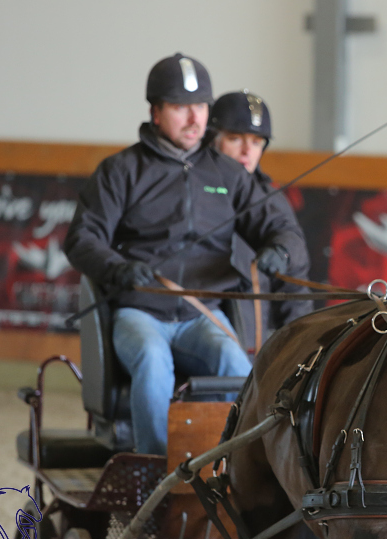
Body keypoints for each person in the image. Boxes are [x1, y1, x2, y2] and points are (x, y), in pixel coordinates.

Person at [63, 54, 308, 455]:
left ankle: (231, 464)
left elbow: (281, 227)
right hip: (140, 313)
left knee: (238, 368)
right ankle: (156, 471)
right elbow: (82, 238)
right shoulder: (120, 171)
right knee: (151, 358)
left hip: (201, 314)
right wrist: (118, 268)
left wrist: (280, 249)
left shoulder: (228, 175)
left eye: (200, 107)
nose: (195, 119)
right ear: (156, 112)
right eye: (181, 108)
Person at [209, 90, 313, 332]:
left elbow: (295, 288)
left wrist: (296, 344)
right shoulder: (192, 187)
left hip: (255, 335)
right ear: (212, 138)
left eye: (256, 142)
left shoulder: (272, 200)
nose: (247, 150)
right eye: (235, 139)